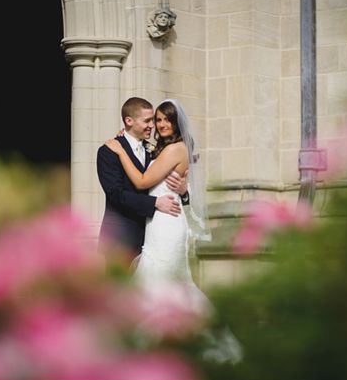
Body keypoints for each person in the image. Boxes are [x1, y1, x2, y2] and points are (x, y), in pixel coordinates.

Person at [104, 99, 241, 364]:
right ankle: (164, 348)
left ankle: (156, 351)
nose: (161, 124)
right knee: (168, 283)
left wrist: (121, 152)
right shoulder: (161, 149)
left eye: (167, 119)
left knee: (159, 281)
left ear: (178, 122)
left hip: (167, 223)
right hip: (158, 222)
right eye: (157, 120)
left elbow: (143, 181)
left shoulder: (174, 150)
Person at [97, 97, 187, 265]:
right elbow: (116, 195)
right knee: (120, 291)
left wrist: (184, 191)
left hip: (154, 235)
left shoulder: (155, 151)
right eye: (147, 121)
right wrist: (154, 203)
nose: (152, 126)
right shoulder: (108, 151)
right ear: (129, 121)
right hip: (121, 238)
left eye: (153, 120)